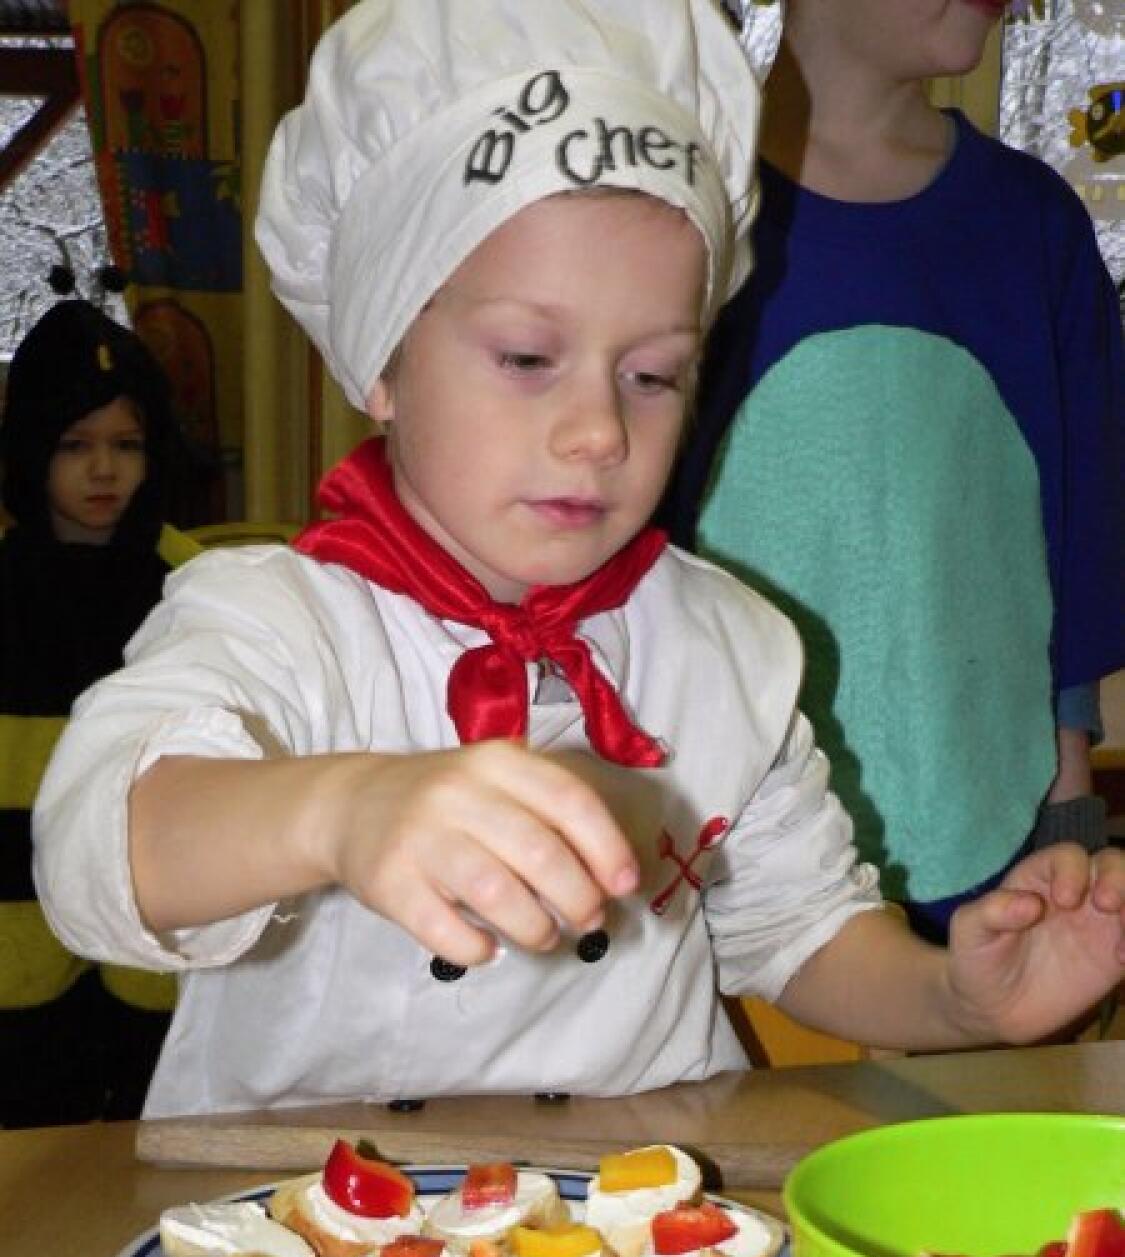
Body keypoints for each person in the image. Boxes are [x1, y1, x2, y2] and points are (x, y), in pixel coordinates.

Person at [31, 0, 1125, 1122]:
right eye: (526, 357)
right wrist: (343, 810)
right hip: (299, 1212)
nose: (599, 431)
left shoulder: (726, 645)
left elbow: (802, 931)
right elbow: (99, 845)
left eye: (652, 375)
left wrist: (961, 1000)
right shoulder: (275, 623)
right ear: (382, 362)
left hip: (638, 1212)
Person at [661, 0, 1125, 941]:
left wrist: (1066, 808)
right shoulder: (685, 213)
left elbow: (1075, 542)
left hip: (992, 871)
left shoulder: (1032, 226)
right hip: (726, 874)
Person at [0, 298, 200, 1126]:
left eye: (127, 445)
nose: (104, 471)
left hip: (154, 923)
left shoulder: (193, 587)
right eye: (75, 446)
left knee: (148, 1130)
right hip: (16, 928)